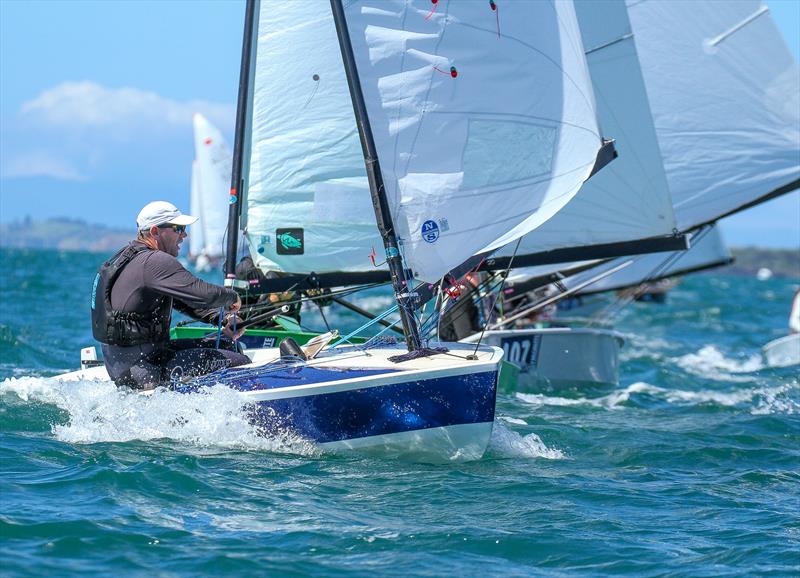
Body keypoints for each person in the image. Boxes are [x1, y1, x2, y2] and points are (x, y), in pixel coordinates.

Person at [91, 201, 250, 389]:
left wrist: (220, 318)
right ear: (155, 232)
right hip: (146, 370)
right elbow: (200, 291)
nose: (184, 234)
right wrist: (232, 298)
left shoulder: (127, 257)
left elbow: (182, 300)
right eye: (178, 228)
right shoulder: (155, 261)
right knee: (241, 361)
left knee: (229, 346)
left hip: (131, 364)